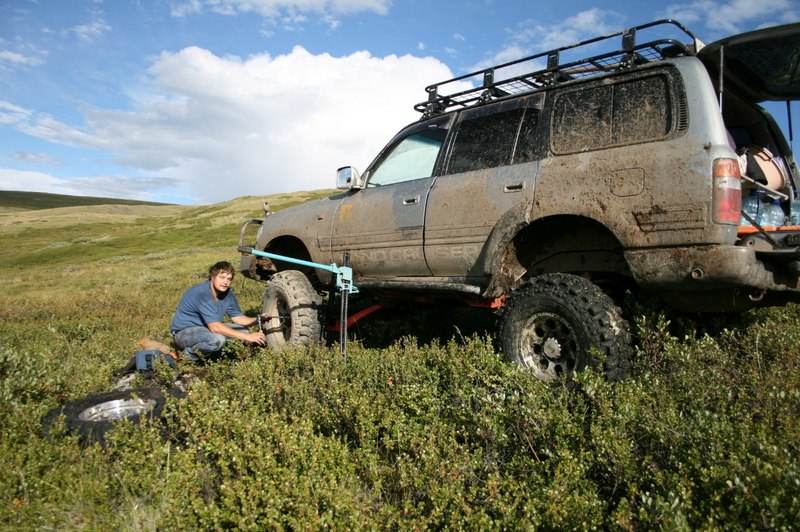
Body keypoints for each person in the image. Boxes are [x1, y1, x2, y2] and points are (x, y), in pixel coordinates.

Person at [171, 260, 266, 362]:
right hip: (184, 332)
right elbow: (215, 327)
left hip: (206, 328)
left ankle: (214, 355)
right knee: (217, 340)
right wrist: (248, 337)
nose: (225, 282)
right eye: (222, 277)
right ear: (212, 277)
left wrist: (258, 319)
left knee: (243, 331)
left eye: (229, 279)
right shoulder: (202, 293)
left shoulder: (227, 293)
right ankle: (187, 357)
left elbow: (238, 318)